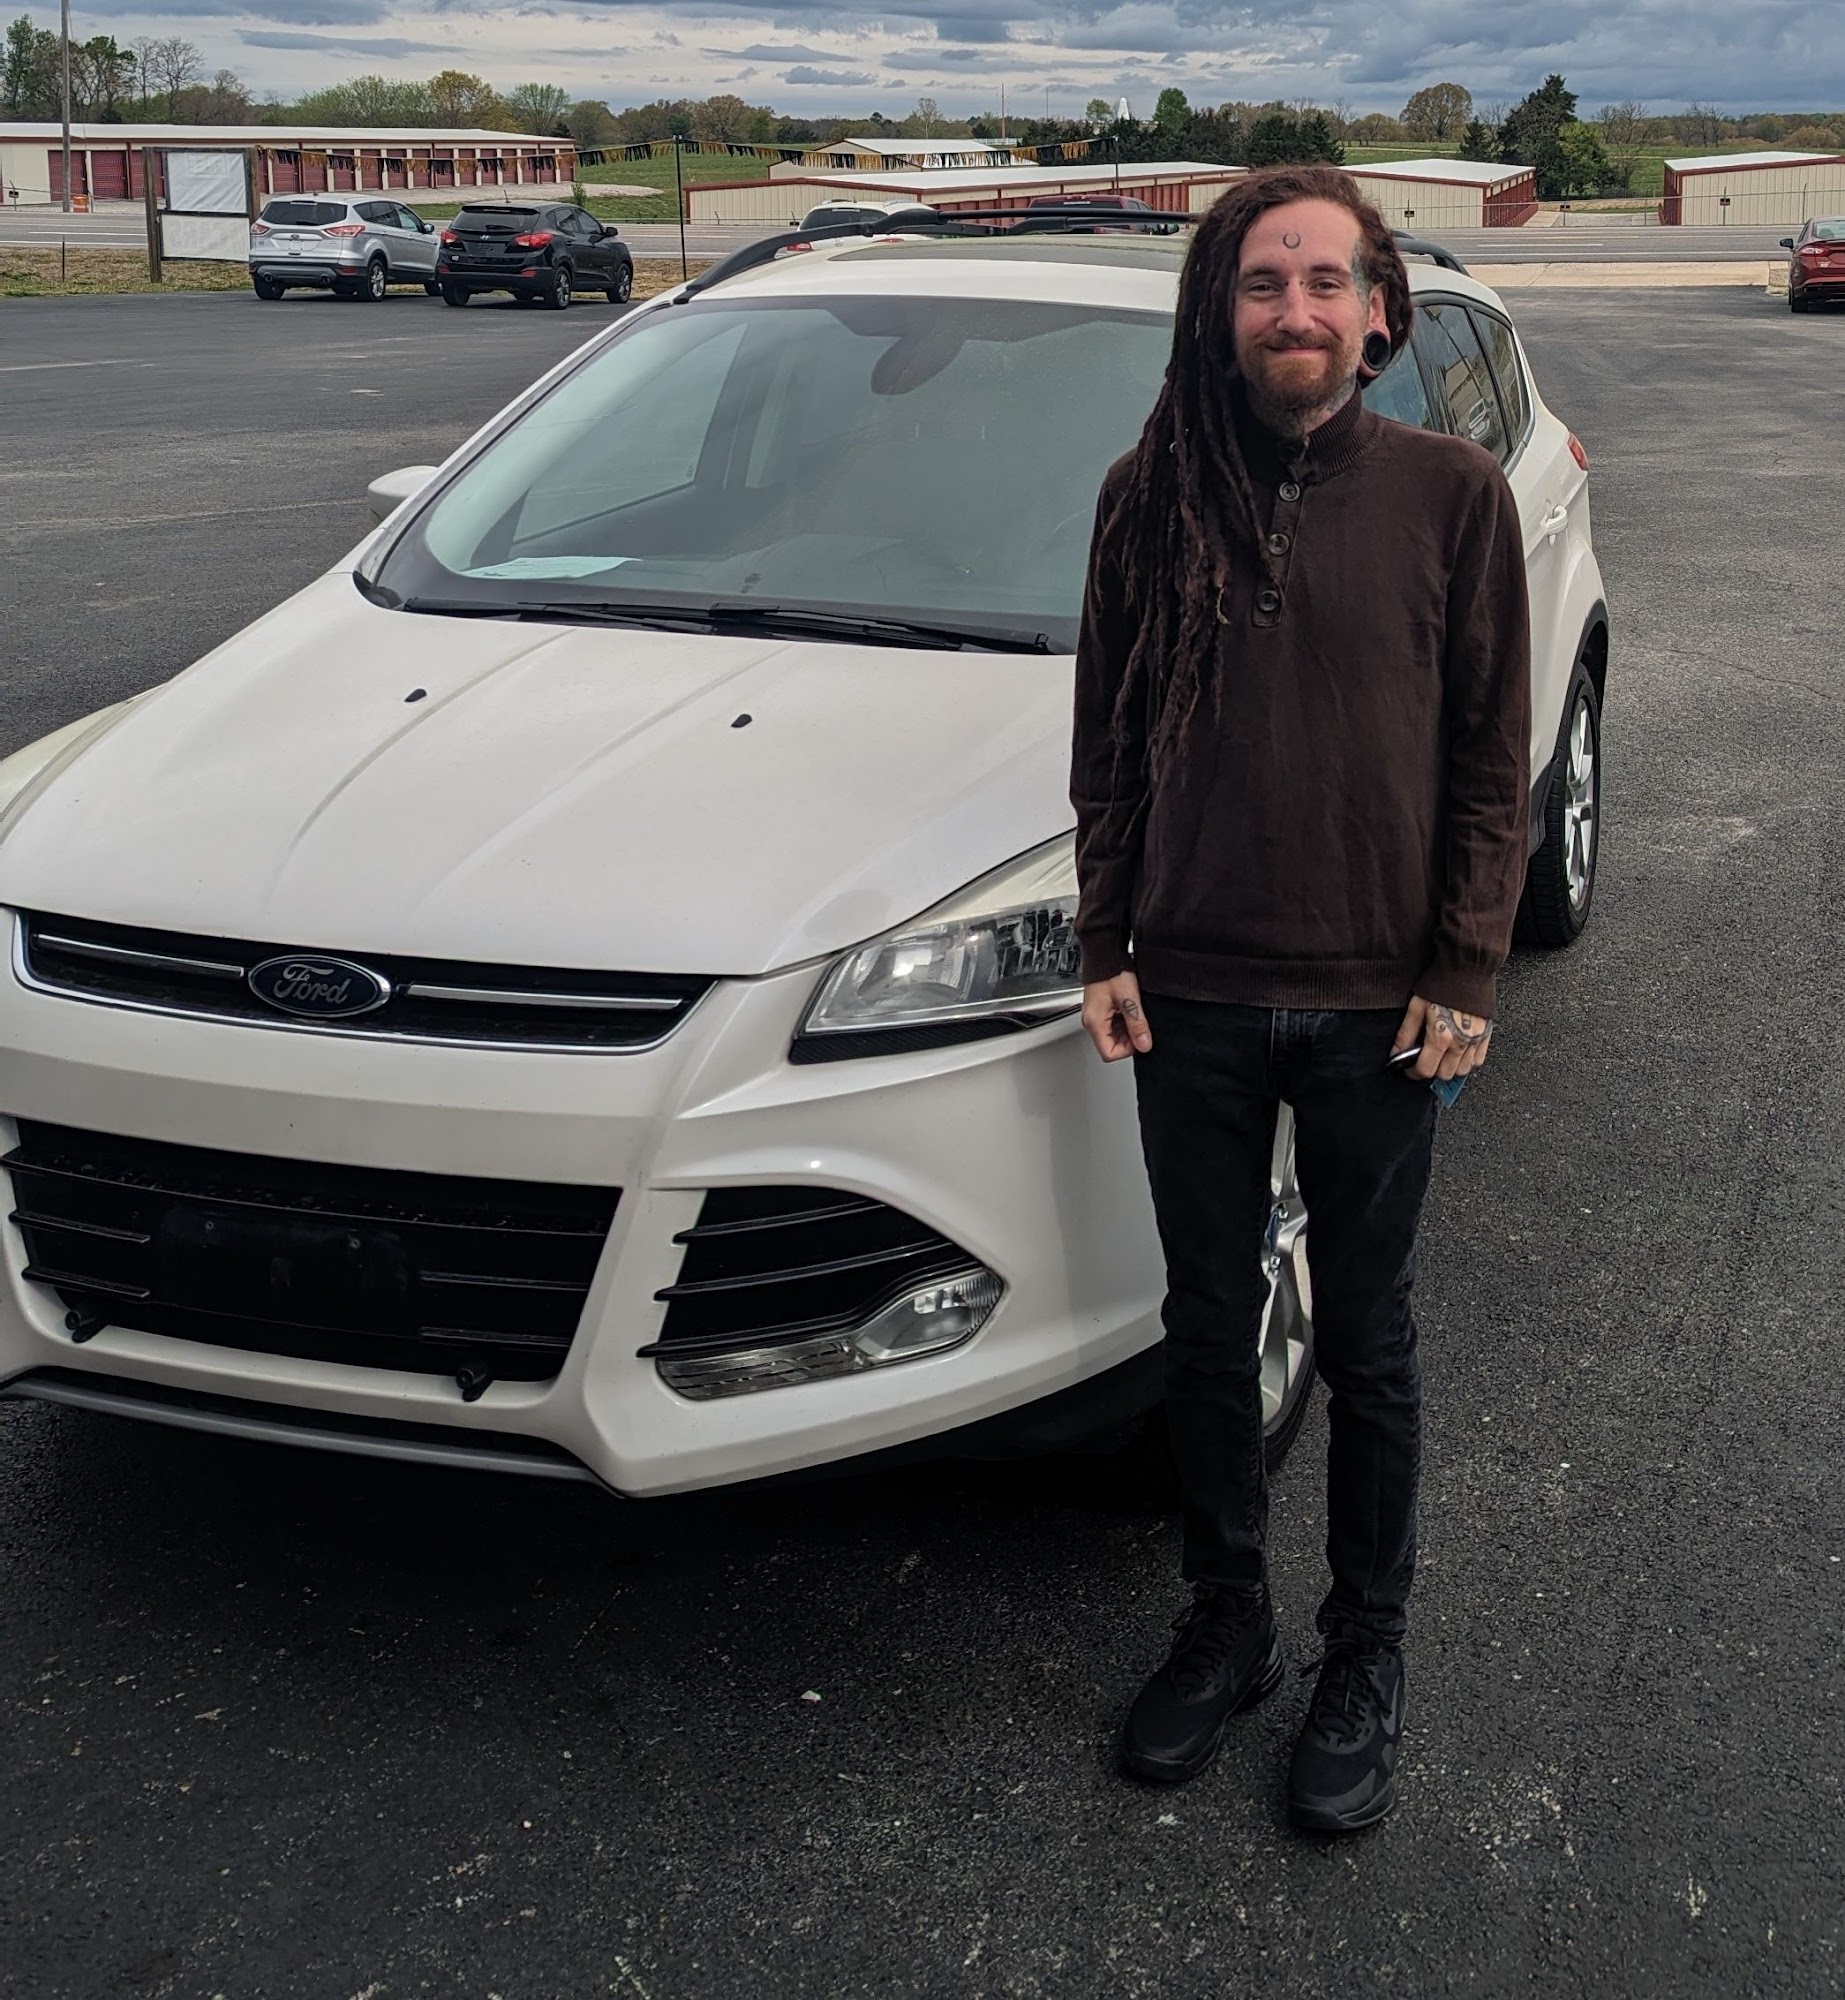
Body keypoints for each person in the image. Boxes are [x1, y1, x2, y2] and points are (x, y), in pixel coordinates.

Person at [1070, 164, 1531, 1832]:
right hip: (1187, 992)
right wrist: (1104, 939)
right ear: (1220, 314)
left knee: (1369, 1345)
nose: (1294, 310)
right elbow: (1107, 739)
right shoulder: (1147, 494)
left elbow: (1489, 755)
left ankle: (1364, 1651)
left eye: (1325, 282)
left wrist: (1464, 965)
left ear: (1376, 314)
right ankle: (1228, 1625)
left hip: (1374, 1008)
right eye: (1263, 283)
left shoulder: (1450, 495)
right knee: (1205, 1333)